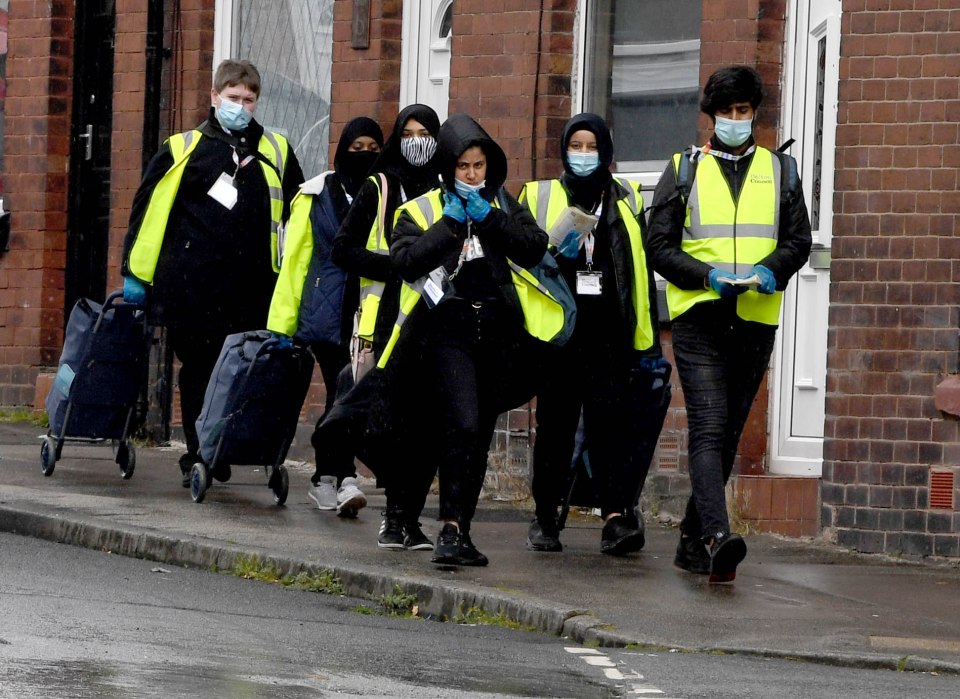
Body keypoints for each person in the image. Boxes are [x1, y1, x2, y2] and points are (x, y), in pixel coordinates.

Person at [645, 65, 811, 582]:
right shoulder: (683, 169)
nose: (736, 120)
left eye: (743, 112)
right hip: (700, 316)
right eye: (726, 112)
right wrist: (706, 276)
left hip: (757, 316)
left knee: (728, 432)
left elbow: (798, 242)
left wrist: (771, 270)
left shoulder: (781, 171)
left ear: (754, 114)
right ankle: (718, 536)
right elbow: (659, 247)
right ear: (710, 116)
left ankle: (691, 543)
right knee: (710, 425)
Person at [121, 59, 303, 486]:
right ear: (214, 97)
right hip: (193, 285)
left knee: (245, 369)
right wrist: (135, 272)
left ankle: (229, 443)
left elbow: (297, 213)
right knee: (200, 368)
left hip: (255, 286)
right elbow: (146, 210)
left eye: (249, 99)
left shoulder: (275, 150)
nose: (241, 106)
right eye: (233, 98)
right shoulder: (184, 147)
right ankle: (200, 451)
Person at [389, 113, 549, 566]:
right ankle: (443, 527)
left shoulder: (500, 202)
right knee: (461, 423)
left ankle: (460, 528)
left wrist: (491, 219)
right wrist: (450, 225)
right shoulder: (422, 209)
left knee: (477, 432)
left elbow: (534, 247)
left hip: (494, 334)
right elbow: (406, 262)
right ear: (447, 168)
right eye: (463, 167)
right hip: (446, 334)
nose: (472, 175)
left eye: (478, 166)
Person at [518, 113, 666, 556]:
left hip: (610, 334)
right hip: (560, 335)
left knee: (612, 429)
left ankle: (615, 517)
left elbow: (638, 273)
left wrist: (647, 339)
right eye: (575, 146)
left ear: (606, 152)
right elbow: (519, 258)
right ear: (563, 150)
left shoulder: (625, 199)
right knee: (556, 429)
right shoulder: (538, 195)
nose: (583, 155)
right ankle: (545, 517)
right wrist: (550, 251)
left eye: (592, 146)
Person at [329, 104, 444, 547]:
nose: (418, 142)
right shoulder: (380, 186)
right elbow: (343, 249)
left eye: (426, 134)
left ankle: (408, 518)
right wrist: (397, 265)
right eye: (409, 133)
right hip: (382, 327)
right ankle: (394, 515)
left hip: (433, 324)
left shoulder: (444, 187)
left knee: (424, 428)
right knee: (384, 425)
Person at [266, 116, 384, 517]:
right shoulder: (315, 195)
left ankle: (330, 477)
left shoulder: (384, 195)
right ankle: (337, 476)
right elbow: (295, 260)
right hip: (325, 313)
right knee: (342, 390)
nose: (365, 156)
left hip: (367, 311)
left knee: (350, 393)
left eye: (373, 149)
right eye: (357, 149)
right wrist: (282, 323)